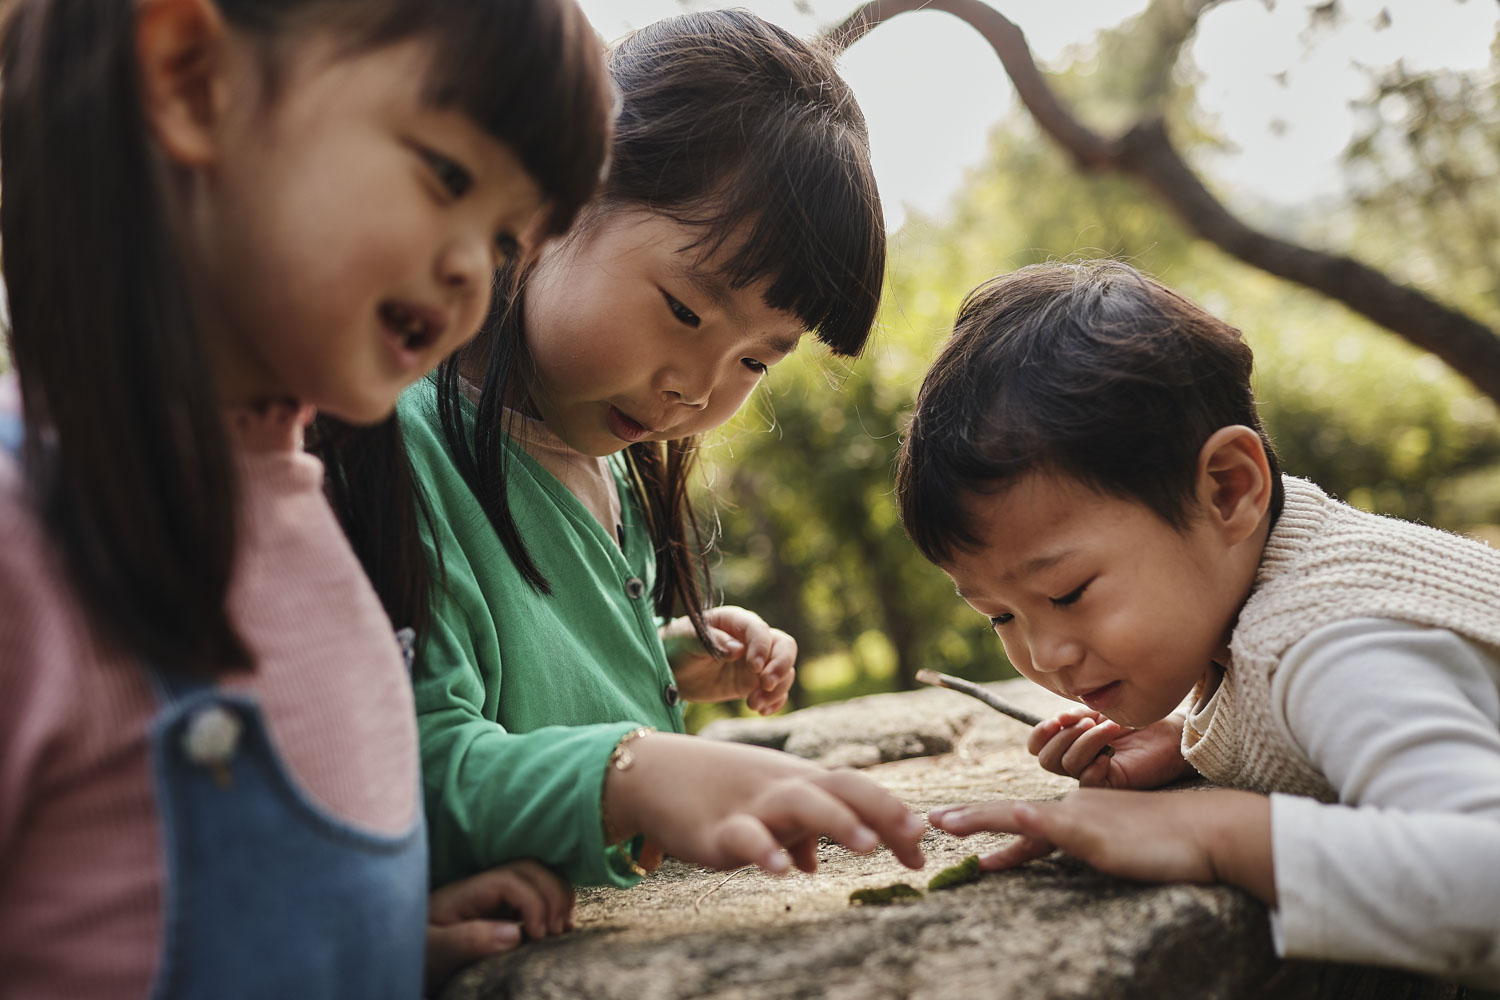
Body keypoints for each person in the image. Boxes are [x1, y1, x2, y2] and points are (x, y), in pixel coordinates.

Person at [0, 0, 613, 996]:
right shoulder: (25, 543)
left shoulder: (304, 515)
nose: (471, 270)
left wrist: (381, 937)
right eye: (446, 175)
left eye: (507, 240)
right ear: (196, 81)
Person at [320, 9, 927, 892]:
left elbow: (534, 684)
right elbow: (414, 768)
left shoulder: (602, 465)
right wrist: (638, 772)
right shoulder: (398, 456)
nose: (699, 386)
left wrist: (661, 657)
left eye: (756, 359)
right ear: (555, 208)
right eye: (685, 311)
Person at [893, 259, 1500, 987]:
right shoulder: (1277, 590)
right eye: (998, 616)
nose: (1045, 653)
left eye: (1068, 592)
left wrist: (1211, 833)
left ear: (1228, 488)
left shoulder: (1332, 643)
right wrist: (1199, 743)